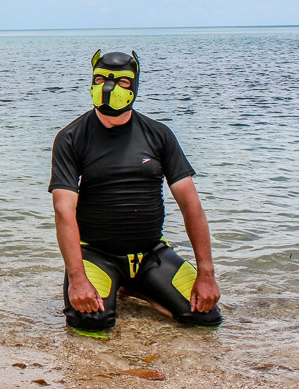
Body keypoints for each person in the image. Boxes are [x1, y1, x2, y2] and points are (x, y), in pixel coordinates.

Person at [48, 50, 222, 331]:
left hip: (151, 254)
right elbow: (63, 210)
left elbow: (191, 205)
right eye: (101, 79)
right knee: (90, 322)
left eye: (121, 82)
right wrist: (78, 277)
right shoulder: (71, 138)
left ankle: (136, 288)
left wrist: (206, 273)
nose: (109, 88)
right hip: (96, 254)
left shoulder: (158, 135)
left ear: (135, 85)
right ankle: (117, 285)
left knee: (205, 317)